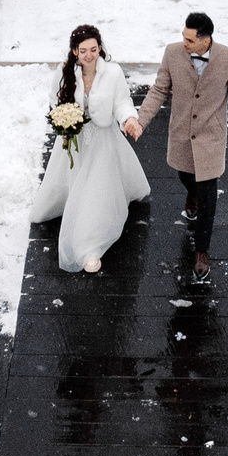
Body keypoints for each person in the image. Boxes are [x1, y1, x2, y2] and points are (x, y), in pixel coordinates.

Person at [129, 11, 228, 288]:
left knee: (209, 195)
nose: (183, 42)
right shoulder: (173, 53)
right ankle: (192, 195)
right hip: (181, 135)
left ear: (205, 39)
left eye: (189, 39)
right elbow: (159, 90)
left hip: (211, 138)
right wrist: (140, 120)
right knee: (186, 177)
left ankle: (201, 251)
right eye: (183, 37)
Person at [28, 24, 150, 273]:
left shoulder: (113, 74)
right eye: (83, 50)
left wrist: (129, 119)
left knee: (97, 188)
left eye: (94, 49)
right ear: (74, 51)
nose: (89, 55)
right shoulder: (64, 75)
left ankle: (90, 245)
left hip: (103, 139)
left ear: (100, 48)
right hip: (73, 141)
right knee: (73, 182)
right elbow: (55, 102)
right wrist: (63, 124)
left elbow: (122, 102)